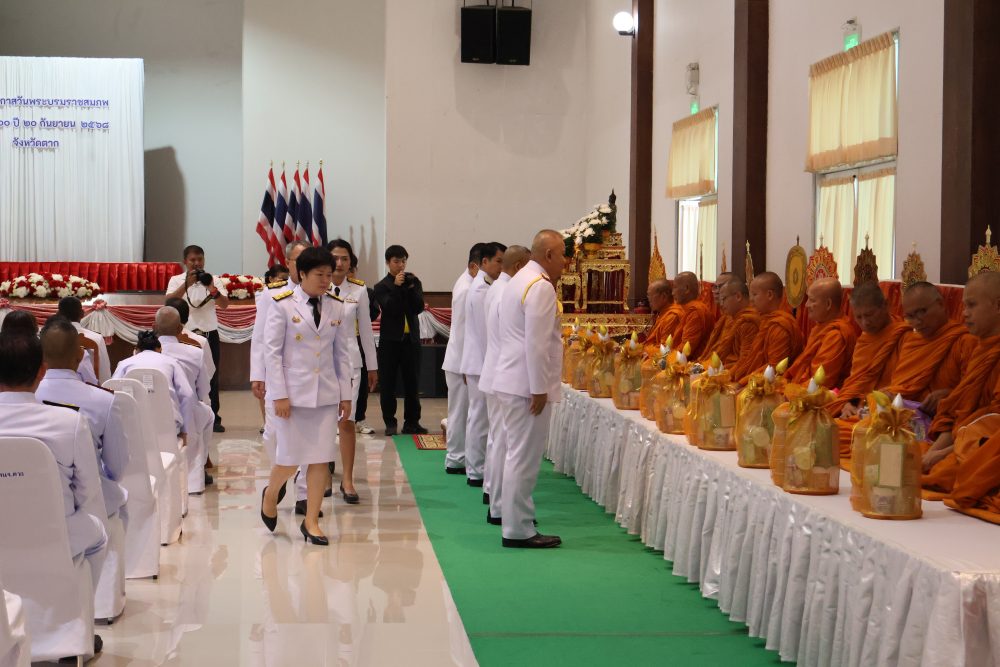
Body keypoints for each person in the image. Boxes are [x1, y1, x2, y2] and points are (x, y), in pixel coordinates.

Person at [259, 247, 353, 546]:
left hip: (325, 394)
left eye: (329, 274)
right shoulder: (282, 304)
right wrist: (279, 395)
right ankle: (271, 493)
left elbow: (342, 354)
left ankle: (311, 521)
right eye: (319, 275)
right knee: (289, 460)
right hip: (292, 395)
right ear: (302, 274)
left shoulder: (336, 306)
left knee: (320, 459)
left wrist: (346, 394)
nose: (326, 280)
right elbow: (272, 353)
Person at [0, 332, 108, 583]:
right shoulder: (70, 423)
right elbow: (89, 493)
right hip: (55, 535)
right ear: (42, 371)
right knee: (99, 534)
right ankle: (78, 600)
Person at [493, 230, 565, 549]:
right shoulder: (540, 286)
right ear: (548, 255)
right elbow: (536, 344)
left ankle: (518, 518)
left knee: (516, 455)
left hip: (511, 378)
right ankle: (518, 529)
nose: (566, 261)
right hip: (526, 385)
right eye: (562, 254)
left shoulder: (519, 279)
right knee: (524, 458)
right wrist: (539, 389)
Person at [36, 318, 130, 524]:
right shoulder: (104, 401)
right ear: (80, 356)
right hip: (91, 507)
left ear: (39, 356)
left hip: (33, 502)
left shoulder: (28, 397)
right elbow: (118, 466)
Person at [922, 271, 1000, 494]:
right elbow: (959, 414)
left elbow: (993, 425)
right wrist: (933, 454)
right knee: (905, 451)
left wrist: (940, 455)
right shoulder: (979, 350)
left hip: (984, 446)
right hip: (965, 441)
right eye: (964, 306)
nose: (964, 313)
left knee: (949, 473)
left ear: (998, 306)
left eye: (972, 305)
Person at [250, 241, 311, 508]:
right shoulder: (272, 294)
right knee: (273, 433)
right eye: (298, 261)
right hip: (277, 375)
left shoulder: (320, 293)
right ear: (288, 263)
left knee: (310, 436)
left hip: (308, 376)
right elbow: (260, 336)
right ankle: (281, 475)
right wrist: (257, 374)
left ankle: (304, 494)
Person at [481, 245, 530, 525]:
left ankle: (494, 494)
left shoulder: (498, 287)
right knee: (504, 442)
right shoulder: (506, 291)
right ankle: (499, 505)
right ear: (520, 266)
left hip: (496, 370)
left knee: (498, 439)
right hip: (504, 372)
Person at [328, 239, 379, 505]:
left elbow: (366, 332)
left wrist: (373, 366)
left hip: (350, 363)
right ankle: (322, 472)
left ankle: (347, 480)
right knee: (323, 421)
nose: (339, 263)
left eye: (345, 258)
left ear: (351, 263)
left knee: (346, 421)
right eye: (335, 258)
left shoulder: (358, 290)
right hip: (322, 363)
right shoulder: (317, 286)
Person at [166, 245, 230, 433]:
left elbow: (224, 305)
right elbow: (168, 303)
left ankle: (214, 417)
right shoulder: (176, 280)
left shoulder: (213, 280)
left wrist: (210, 287)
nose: (196, 263)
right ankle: (186, 415)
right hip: (184, 333)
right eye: (192, 260)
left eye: (200, 259)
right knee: (183, 374)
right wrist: (186, 284)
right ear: (185, 261)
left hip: (209, 333)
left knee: (212, 375)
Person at [155, 306, 216, 494]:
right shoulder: (194, 352)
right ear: (180, 329)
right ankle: (196, 476)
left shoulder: (143, 352)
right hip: (185, 409)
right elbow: (204, 389)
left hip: (151, 411)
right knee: (207, 414)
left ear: (154, 327)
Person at [460, 242, 506, 488]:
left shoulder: (487, 285)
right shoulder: (480, 289)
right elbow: (485, 333)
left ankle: (477, 467)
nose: (501, 266)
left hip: (479, 361)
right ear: (484, 262)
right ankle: (476, 470)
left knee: (480, 418)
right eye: (498, 261)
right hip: (480, 362)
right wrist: (494, 365)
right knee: (479, 418)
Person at [441, 243, 486, 470]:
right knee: (460, 412)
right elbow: (465, 332)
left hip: (462, 359)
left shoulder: (469, 283)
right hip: (461, 360)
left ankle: (459, 456)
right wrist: (469, 365)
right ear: (474, 266)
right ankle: (456, 457)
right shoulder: (468, 289)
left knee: (463, 412)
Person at [373, 245, 427, 436]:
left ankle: (412, 422)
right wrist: (396, 287)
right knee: (388, 384)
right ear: (388, 263)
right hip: (390, 342)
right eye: (396, 261)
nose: (401, 265)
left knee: (413, 383)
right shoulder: (381, 286)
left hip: (411, 341)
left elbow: (418, 308)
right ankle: (390, 422)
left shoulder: (414, 282)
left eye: (403, 261)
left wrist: (410, 288)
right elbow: (390, 308)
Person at [113, 331, 198, 447]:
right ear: (160, 349)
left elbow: (111, 390)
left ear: (136, 350)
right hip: (167, 426)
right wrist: (185, 430)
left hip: (132, 427)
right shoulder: (172, 362)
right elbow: (187, 395)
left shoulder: (124, 364)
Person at [731, 272, 803, 382]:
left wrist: (742, 383)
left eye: (754, 294)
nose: (751, 300)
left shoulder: (780, 326)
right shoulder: (764, 320)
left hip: (773, 384)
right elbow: (751, 358)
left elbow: (773, 368)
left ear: (769, 295)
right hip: (754, 378)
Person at [786, 278, 857, 388]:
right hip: (803, 387)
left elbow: (820, 383)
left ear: (828, 304)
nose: (806, 305)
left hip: (823, 396)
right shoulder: (821, 328)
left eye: (812, 300)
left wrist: (789, 392)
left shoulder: (836, 335)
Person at [699, 278, 760, 367]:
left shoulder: (748, 322)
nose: (721, 304)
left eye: (724, 299)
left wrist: (717, 372)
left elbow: (745, 362)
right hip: (718, 367)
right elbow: (717, 348)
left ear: (738, 296)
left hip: (732, 371)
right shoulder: (728, 319)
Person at [352, 260, 380, 436]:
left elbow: (373, 313)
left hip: (359, 341)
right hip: (338, 344)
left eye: (351, 268)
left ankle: (360, 418)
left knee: (362, 384)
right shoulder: (328, 290)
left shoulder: (364, 291)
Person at [58, 296, 111, 383]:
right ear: (82, 314)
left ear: (58, 314)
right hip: (89, 389)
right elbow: (104, 374)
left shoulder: (49, 337)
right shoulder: (97, 338)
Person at [671, 272, 715, 359]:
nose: (672, 293)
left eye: (675, 288)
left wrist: (665, 358)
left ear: (687, 289)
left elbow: (686, 349)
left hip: (694, 363)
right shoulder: (687, 309)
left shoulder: (695, 312)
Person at [699, 272, 737, 358]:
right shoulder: (724, 317)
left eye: (721, 287)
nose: (716, 291)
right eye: (715, 287)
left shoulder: (741, 319)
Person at [643, 279, 682, 351]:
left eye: (650, 295)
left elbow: (665, 349)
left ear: (663, 296)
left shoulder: (672, 316)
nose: (648, 299)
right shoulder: (662, 313)